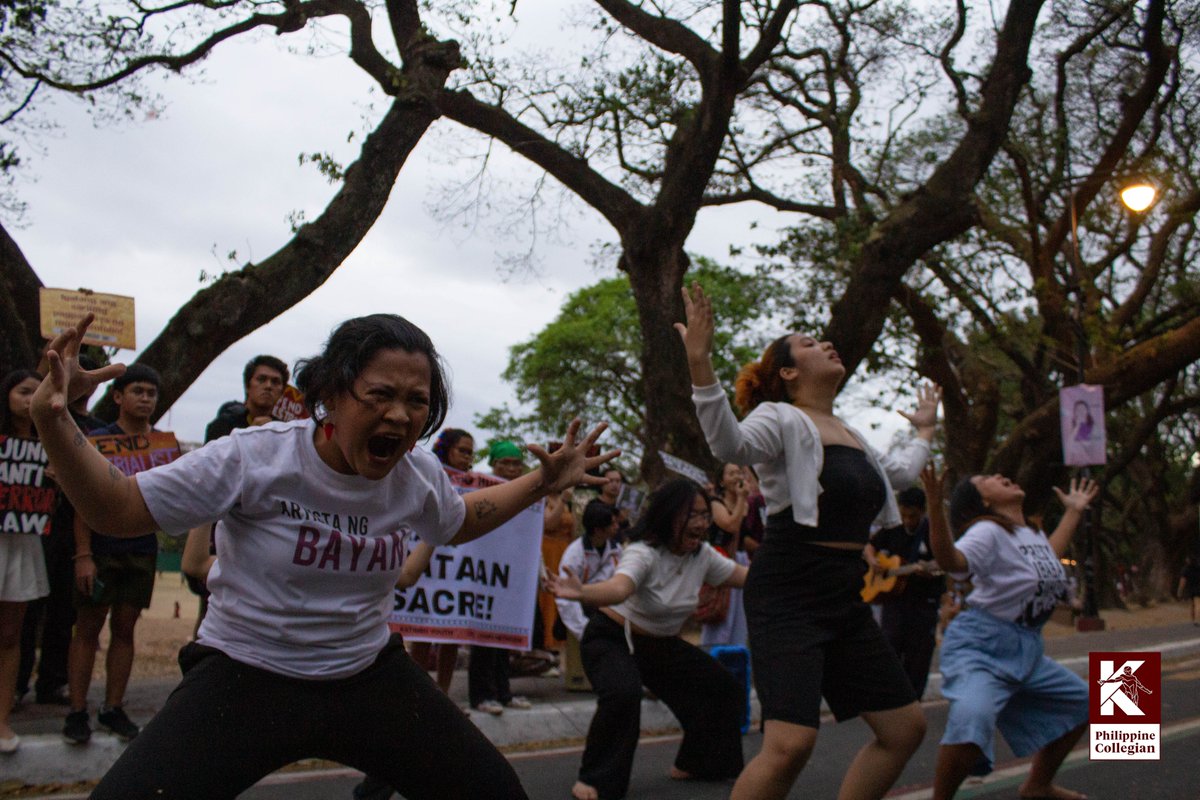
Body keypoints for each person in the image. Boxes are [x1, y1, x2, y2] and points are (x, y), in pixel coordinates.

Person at [30, 312, 616, 799]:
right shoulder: (252, 457)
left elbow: (460, 521)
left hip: (366, 676)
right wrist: (56, 420)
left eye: (418, 402)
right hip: (245, 675)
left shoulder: (416, 474)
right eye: (380, 395)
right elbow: (116, 508)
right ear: (331, 395)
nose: (400, 415)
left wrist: (544, 481)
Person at [676, 283, 935, 800]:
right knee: (790, 745)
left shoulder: (851, 433)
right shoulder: (781, 418)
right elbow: (731, 443)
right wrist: (700, 364)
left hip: (843, 593)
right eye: (810, 343)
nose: (826, 344)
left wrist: (925, 432)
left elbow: (902, 473)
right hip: (790, 589)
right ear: (788, 373)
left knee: (905, 730)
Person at [549, 479, 749, 800]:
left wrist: (790, 574)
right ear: (669, 517)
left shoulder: (703, 556)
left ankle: (699, 763)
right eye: (692, 515)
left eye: (704, 515)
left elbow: (744, 578)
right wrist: (583, 592)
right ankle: (595, 780)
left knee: (722, 687)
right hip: (612, 638)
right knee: (623, 694)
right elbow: (619, 588)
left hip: (661, 645)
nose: (701, 524)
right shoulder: (643, 553)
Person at [922, 466, 1097, 800]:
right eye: (988, 479)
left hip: (1026, 647)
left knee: (1083, 703)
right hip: (981, 645)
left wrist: (1073, 511)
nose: (1001, 476)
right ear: (983, 501)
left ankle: (1037, 786)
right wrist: (934, 506)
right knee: (973, 720)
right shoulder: (987, 531)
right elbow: (952, 561)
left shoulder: (1029, 534)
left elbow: (1051, 553)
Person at [63, 363, 164, 744]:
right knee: (87, 630)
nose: (145, 398)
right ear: (118, 396)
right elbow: (80, 500)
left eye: (151, 393)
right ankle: (76, 712)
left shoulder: (163, 446)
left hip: (141, 549)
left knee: (126, 629)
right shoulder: (96, 440)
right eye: (137, 391)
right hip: (101, 548)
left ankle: (113, 708)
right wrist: (83, 554)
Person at [17, 354, 106, 710]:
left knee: (64, 613)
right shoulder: (38, 423)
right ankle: (17, 681)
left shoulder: (97, 429)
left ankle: (52, 682)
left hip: (72, 530)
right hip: (30, 528)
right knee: (24, 610)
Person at [0, 369, 50, 754]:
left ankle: (1, 720)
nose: (28, 398)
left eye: (36, 392)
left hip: (24, 542)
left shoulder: (53, 442)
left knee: (11, 636)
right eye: (22, 391)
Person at [467, 440, 533, 715]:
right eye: (504, 463)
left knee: (504, 636)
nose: (510, 469)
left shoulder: (527, 493)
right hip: (483, 573)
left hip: (511, 573)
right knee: (483, 638)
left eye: (516, 463)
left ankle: (503, 693)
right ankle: (481, 695)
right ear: (493, 464)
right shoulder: (478, 489)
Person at [406, 426, 473, 696]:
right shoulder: (428, 474)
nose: (467, 458)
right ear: (447, 449)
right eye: (462, 451)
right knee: (422, 632)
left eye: (471, 453)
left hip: (456, 567)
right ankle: (419, 697)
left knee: (451, 636)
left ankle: (443, 696)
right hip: (426, 566)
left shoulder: (473, 484)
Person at [868, 486, 944, 697]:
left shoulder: (933, 531)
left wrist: (930, 570)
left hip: (923, 606)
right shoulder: (893, 528)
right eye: (904, 515)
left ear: (922, 511)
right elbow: (870, 546)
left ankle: (913, 702)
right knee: (890, 653)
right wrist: (873, 561)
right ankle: (891, 701)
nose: (908, 520)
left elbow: (945, 561)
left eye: (913, 516)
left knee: (917, 661)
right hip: (895, 604)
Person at [554, 500, 622, 643]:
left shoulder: (617, 550)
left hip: (605, 614)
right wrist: (584, 630)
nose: (617, 527)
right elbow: (565, 598)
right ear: (598, 530)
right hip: (579, 617)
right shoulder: (574, 555)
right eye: (612, 524)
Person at [700, 462, 751, 648]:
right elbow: (730, 525)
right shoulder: (715, 503)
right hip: (721, 560)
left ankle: (736, 654)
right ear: (721, 481)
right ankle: (713, 652)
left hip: (741, 560)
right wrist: (741, 499)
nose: (737, 476)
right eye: (731, 474)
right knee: (720, 610)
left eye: (739, 473)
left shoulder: (744, 503)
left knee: (739, 618)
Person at [203, 354, 289, 441]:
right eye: (261, 379)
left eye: (275, 382)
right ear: (247, 386)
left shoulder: (284, 432)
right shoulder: (223, 426)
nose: (268, 386)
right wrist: (248, 436)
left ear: (282, 392)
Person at [1178, 554, 1200, 626]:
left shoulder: (1185, 569)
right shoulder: (1198, 567)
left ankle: (1194, 620)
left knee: (1193, 604)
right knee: (1197, 604)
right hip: (1198, 587)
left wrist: (1180, 591)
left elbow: (1182, 581)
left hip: (1191, 588)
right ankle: (1197, 620)